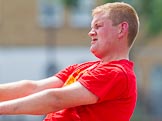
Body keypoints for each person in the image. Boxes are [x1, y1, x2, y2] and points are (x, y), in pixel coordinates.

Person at [0, 2, 140, 121]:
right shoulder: (82, 68)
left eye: (98, 26)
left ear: (122, 29)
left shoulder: (118, 73)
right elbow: (33, 88)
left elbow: (56, 99)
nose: (91, 32)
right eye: (92, 27)